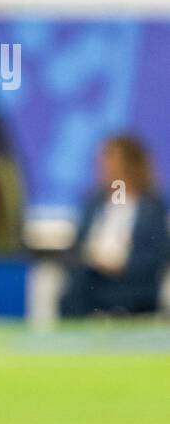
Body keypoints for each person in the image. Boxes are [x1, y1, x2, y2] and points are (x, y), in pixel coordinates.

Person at [60, 135, 169, 316]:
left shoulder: (152, 206)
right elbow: (77, 246)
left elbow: (158, 254)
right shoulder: (93, 203)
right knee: (72, 293)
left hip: (133, 285)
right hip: (92, 282)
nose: (104, 165)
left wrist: (122, 264)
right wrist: (92, 256)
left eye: (110, 158)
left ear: (130, 164)